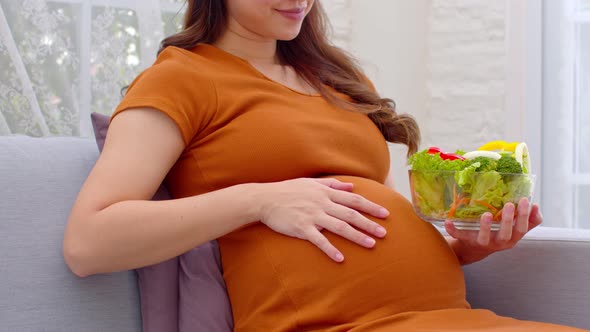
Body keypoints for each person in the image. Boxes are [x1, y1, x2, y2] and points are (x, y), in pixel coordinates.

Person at [63, 0, 585, 331]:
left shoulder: (334, 78)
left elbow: (362, 222)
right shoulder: (181, 77)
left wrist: (464, 247)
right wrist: (260, 199)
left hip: (444, 318)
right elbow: (89, 243)